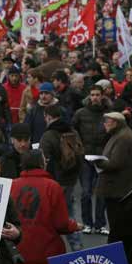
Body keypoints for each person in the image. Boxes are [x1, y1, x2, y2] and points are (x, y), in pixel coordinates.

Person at [11, 150, 81, 264]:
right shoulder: (52, 187)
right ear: (42, 164)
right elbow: (61, 224)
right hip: (47, 252)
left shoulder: (12, 185)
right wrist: (74, 226)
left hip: (18, 252)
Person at [40, 104, 84, 251]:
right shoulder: (73, 131)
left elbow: (43, 159)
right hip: (70, 180)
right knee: (69, 213)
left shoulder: (48, 135)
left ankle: (52, 249)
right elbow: (80, 154)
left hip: (54, 181)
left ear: (48, 117)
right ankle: (77, 247)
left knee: (49, 217)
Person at [71, 85, 111, 234]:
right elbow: (72, 130)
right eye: (92, 94)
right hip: (85, 158)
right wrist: (78, 148)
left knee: (101, 192)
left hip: (102, 157)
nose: (95, 97)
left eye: (97, 95)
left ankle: (100, 224)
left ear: (102, 96)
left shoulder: (108, 114)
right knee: (86, 192)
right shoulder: (80, 113)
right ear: (89, 96)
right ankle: (87, 222)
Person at [92, 112, 132, 234]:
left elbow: (115, 163)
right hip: (115, 186)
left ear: (116, 123)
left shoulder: (123, 137)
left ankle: (116, 247)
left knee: (116, 222)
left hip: (116, 187)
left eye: (107, 121)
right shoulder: (120, 134)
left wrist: (97, 162)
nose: (105, 124)